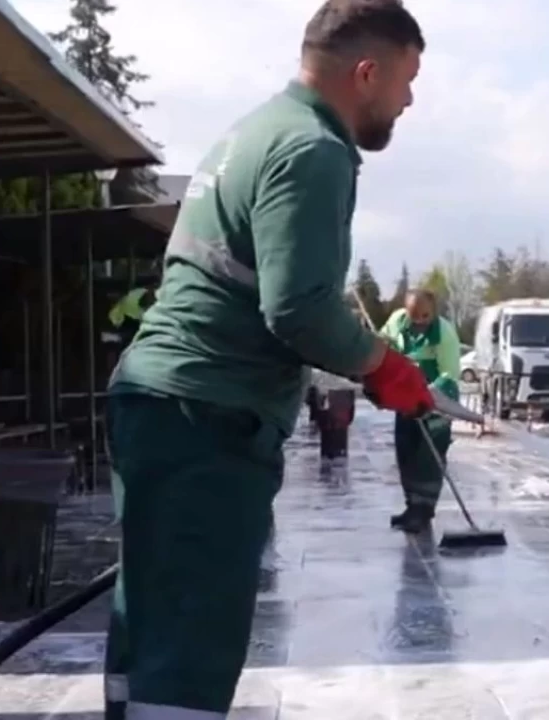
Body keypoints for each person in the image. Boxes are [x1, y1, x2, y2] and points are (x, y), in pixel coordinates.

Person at [99, 3, 432, 717]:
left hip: (164, 403)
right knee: (189, 647)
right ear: (365, 72)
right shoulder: (313, 149)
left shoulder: (255, 129)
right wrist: (380, 364)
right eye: (406, 81)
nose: (409, 100)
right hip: (207, 416)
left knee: (150, 629)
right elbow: (299, 307)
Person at [379, 288, 462, 533]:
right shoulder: (397, 322)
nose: (419, 323)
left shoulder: (444, 334)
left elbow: (449, 374)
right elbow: (383, 342)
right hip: (406, 398)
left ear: (433, 311)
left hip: (438, 400)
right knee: (406, 452)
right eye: (414, 316)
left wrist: (427, 397)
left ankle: (424, 510)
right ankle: (411, 506)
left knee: (429, 456)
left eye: (424, 316)